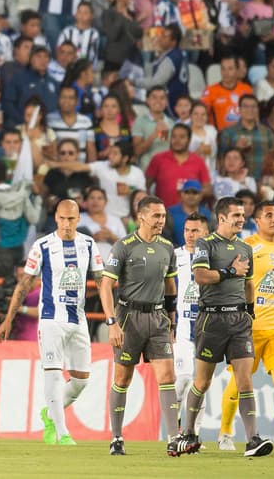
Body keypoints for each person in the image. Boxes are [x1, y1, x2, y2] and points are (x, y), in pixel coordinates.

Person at [0, 197, 102, 444]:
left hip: (78, 320)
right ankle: (63, 433)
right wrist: (9, 319)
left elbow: (101, 280)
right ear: (56, 218)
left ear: (78, 219)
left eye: (71, 219)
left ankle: (50, 414)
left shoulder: (88, 244)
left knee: (81, 380)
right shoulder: (42, 246)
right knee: (53, 375)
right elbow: (24, 284)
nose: (66, 223)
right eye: (62, 218)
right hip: (50, 319)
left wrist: (112, 315)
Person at [173, 197, 271, 458]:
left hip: (239, 321)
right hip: (211, 320)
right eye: (236, 215)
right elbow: (201, 276)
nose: (242, 218)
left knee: (245, 381)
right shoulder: (206, 244)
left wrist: (250, 313)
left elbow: (249, 283)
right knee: (202, 381)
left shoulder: (245, 247)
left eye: (242, 214)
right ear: (222, 218)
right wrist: (230, 271)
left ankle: (253, 440)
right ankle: (189, 433)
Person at [97, 195, 179, 456]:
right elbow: (106, 285)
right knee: (123, 378)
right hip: (128, 317)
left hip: (157, 318)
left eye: (163, 216)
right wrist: (112, 322)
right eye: (156, 216)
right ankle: (117, 437)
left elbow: (170, 286)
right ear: (141, 217)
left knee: (167, 378)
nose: (161, 220)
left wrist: (172, 320)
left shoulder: (167, 247)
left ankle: (174, 439)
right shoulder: (124, 246)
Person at [217, 201, 274, 451]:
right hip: (248, 327)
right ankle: (225, 432)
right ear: (257, 221)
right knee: (238, 384)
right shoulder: (246, 247)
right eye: (268, 215)